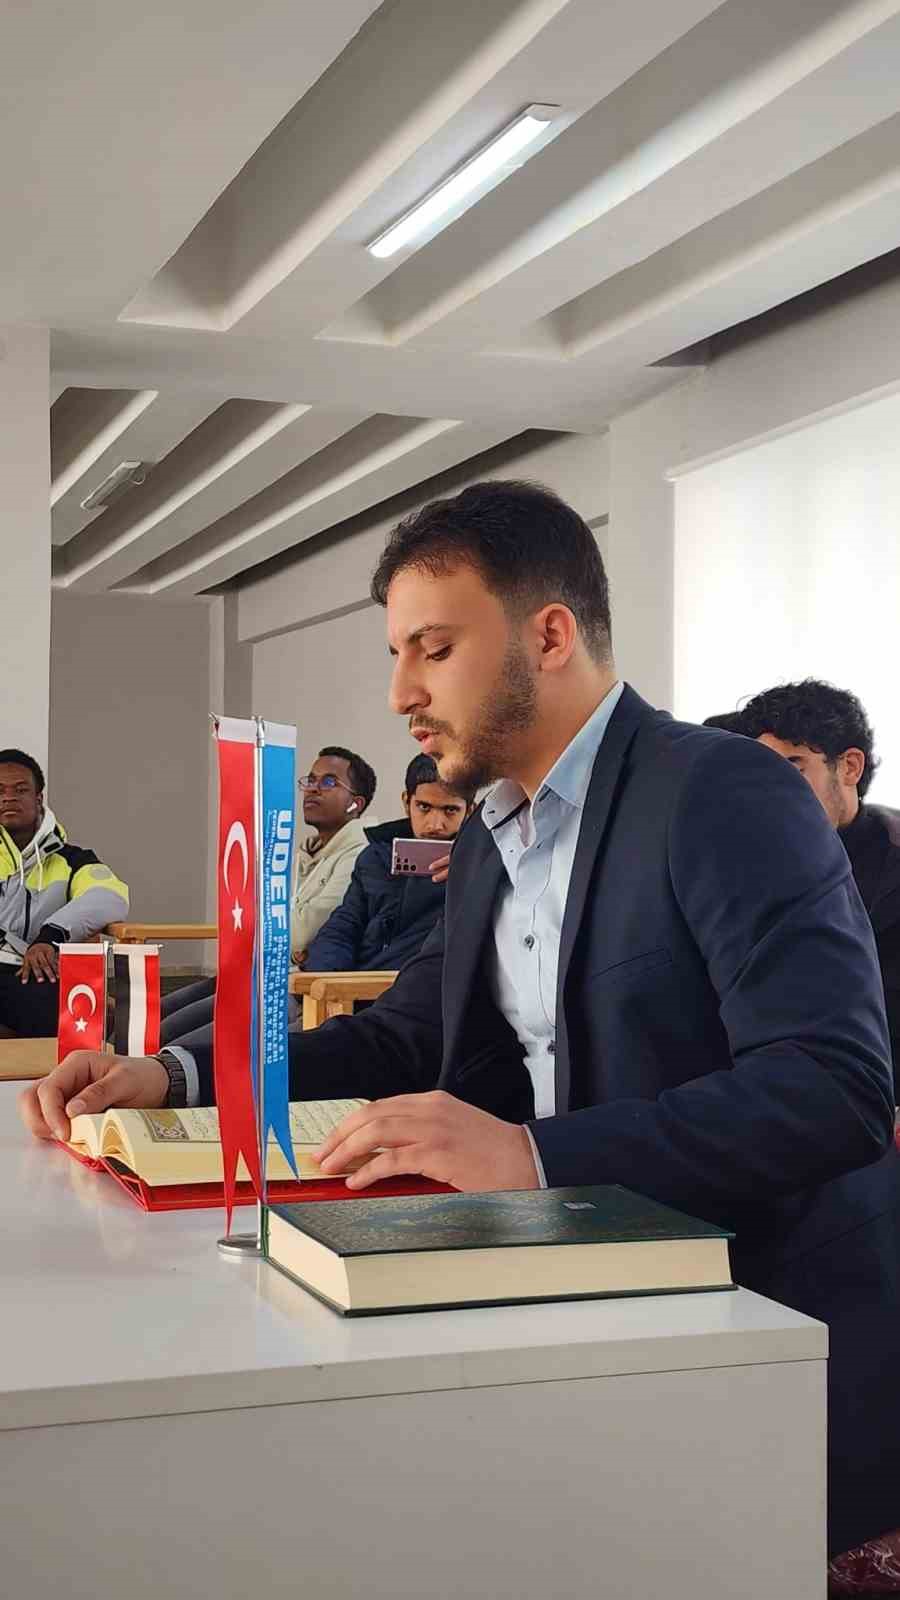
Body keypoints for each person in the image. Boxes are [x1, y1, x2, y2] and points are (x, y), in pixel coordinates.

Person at [20, 482, 900, 1565]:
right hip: (573, 1287)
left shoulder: (722, 792)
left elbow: (832, 1087)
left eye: (433, 650)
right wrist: (175, 1074)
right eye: (398, 654)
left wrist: (532, 1154)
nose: (401, 692)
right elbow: (400, 1034)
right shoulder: (488, 833)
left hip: (760, 1311)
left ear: (550, 635)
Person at [738, 679, 900, 1097]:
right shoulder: (745, 864)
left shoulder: (892, 865)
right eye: (762, 774)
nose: (772, 794)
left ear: (849, 767)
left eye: (793, 770)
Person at [160, 745, 376, 1042]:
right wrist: (287, 940)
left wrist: (288, 939)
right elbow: (267, 922)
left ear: (356, 803)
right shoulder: (305, 854)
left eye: (328, 782)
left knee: (177, 1044)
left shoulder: (362, 853)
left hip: (293, 988)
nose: (312, 789)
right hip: (263, 970)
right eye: (310, 780)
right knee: (157, 1020)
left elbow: (301, 934)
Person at [302, 753, 474, 972]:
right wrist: (322, 978)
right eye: (424, 807)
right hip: (358, 985)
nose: (435, 824)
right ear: (406, 802)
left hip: (419, 987)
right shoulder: (375, 858)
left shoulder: (479, 868)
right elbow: (344, 926)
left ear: (469, 811)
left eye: (450, 810)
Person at [0, 749, 128, 1037]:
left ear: (38, 798)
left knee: (68, 1010)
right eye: (0, 791)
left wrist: (51, 936)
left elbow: (110, 896)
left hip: (34, 975)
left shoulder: (73, 859)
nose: (9, 798)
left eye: (20, 789)